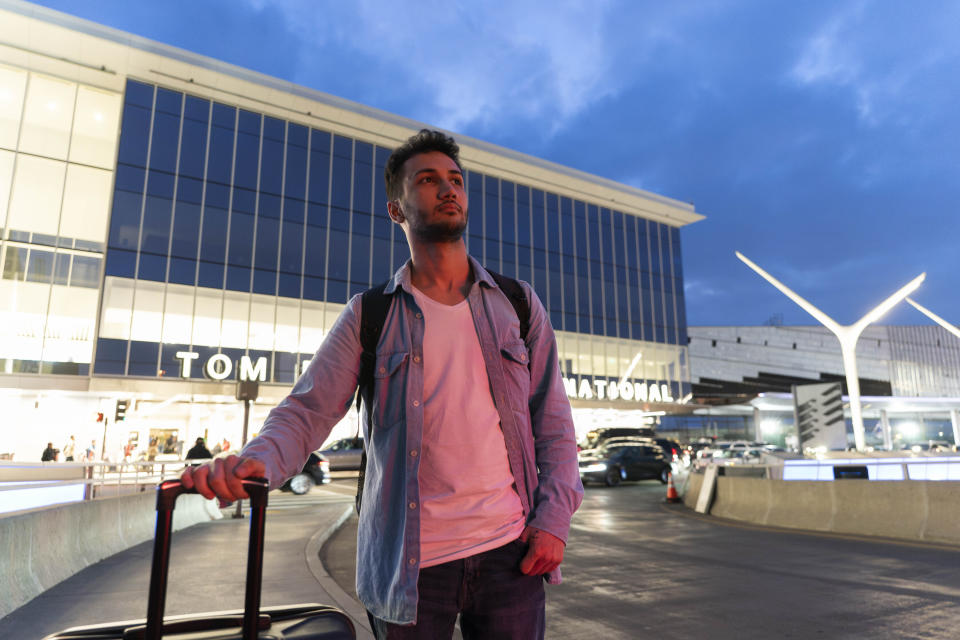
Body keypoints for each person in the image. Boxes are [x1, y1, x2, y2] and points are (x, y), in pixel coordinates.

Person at [182, 129, 583, 639]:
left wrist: (553, 522)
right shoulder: (370, 314)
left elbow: (553, 422)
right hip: (409, 565)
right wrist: (258, 461)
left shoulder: (517, 304)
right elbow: (307, 411)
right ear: (396, 209)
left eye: (456, 180)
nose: (448, 189)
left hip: (511, 552)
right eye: (428, 180)